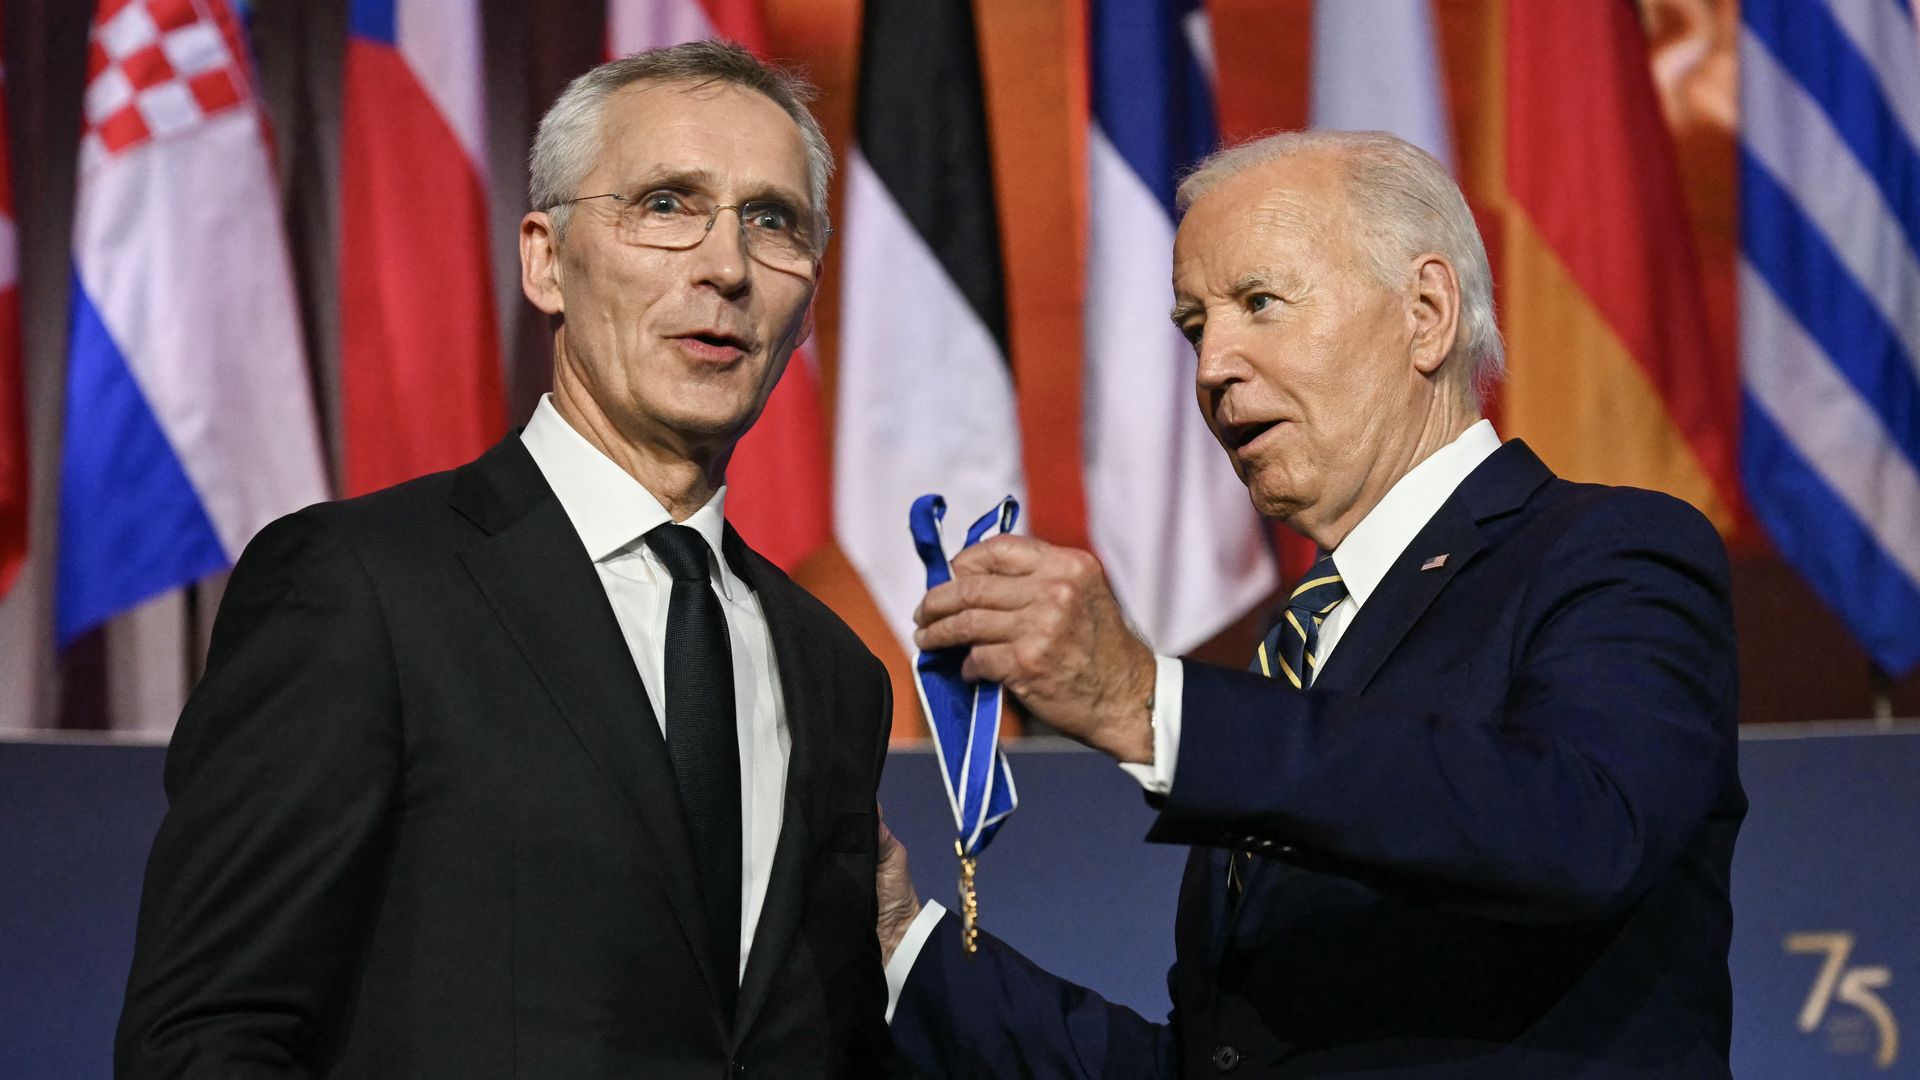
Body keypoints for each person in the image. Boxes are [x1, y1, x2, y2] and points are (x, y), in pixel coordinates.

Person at [878, 130, 1744, 1078]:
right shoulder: (1292, 649)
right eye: (1195, 326)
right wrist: (896, 950)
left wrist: (1146, 705)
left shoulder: (1612, 552)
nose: (1212, 368)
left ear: (1426, 312)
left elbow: (1583, 827)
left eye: (1260, 304)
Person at [117, 42, 903, 1079]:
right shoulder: (361, 591)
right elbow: (207, 1035)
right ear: (545, 260)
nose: (726, 267)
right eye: (667, 205)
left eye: (773, 221)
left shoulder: (832, 674)